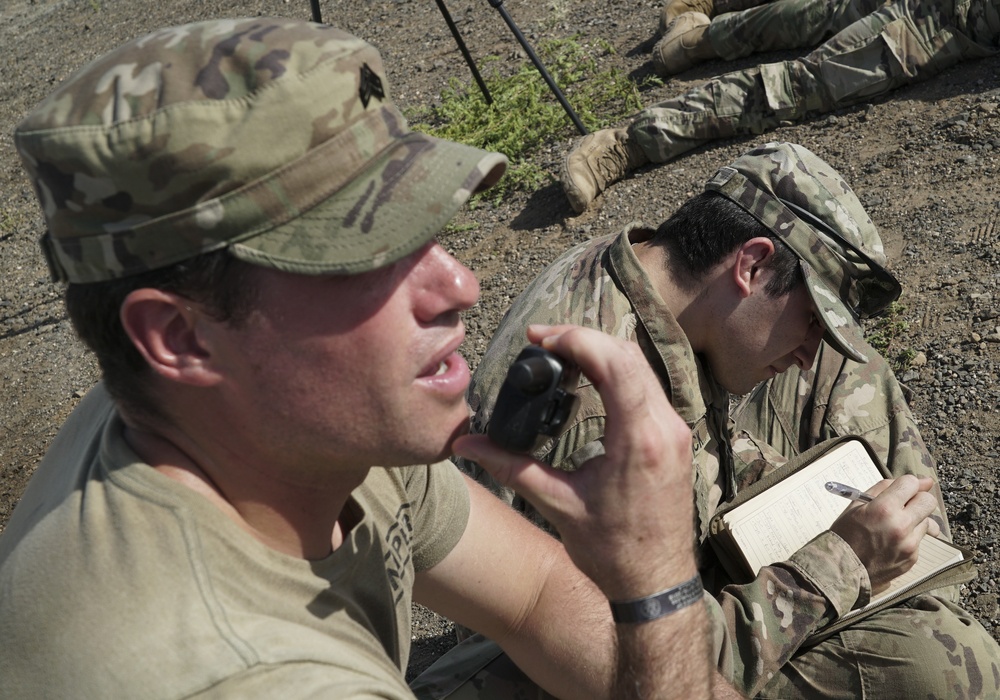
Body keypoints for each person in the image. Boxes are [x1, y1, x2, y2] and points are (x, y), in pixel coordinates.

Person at [0, 17, 732, 699]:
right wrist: (657, 585)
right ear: (180, 338)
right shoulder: (235, 675)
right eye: (361, 257)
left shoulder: (264, 421)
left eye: (423, 231)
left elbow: (536, 593)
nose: (460, 285)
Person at [463, 141, 1000, 698]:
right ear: (751, 263)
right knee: (948, 666)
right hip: (601, 660)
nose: (811, 352)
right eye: (813, 320)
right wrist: (837, 563)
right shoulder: (600, 429)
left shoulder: (649, 267)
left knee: (853, 366)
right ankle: (910, 599)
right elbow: (643, 665)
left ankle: (916, 578)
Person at [561, 0, 1000, 212]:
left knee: (805, 76)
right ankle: (693, 39)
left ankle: (634, 135)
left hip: (947, 22)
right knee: (814, 25)